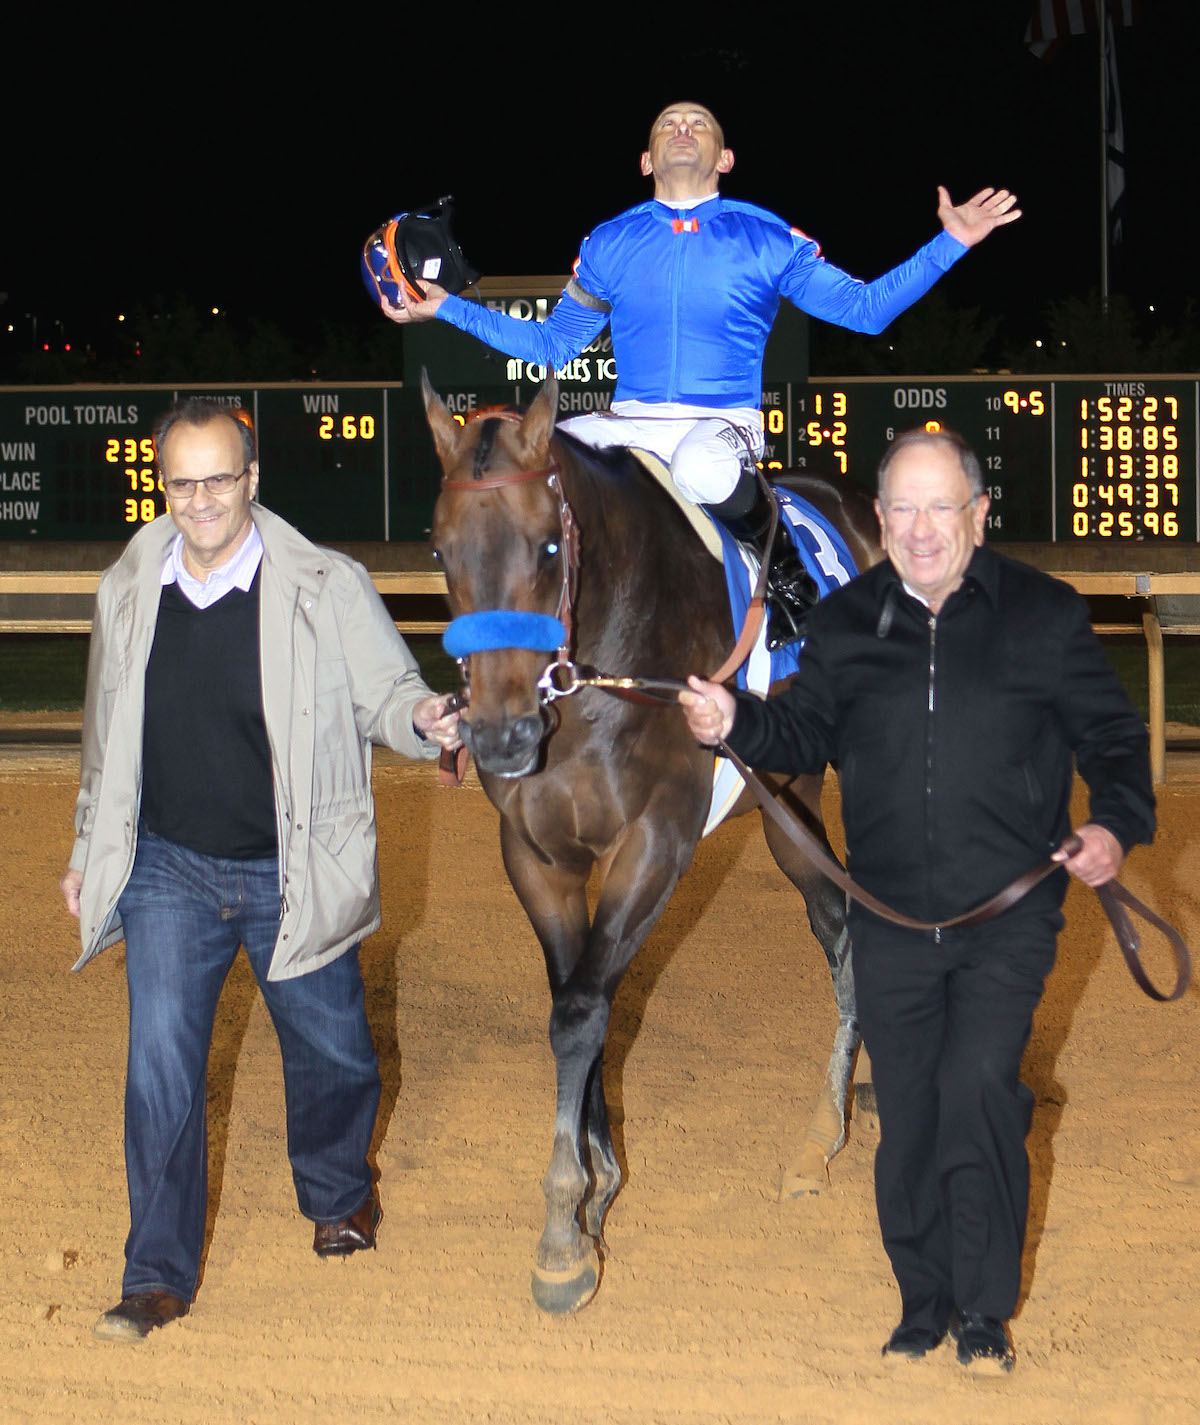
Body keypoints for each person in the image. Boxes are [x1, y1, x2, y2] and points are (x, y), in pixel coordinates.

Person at [678, 428, 1155, 1374]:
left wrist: (1112, 826)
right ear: (883, 520)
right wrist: (737, 720)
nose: (923, 527)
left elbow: (1113, 742)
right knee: (905, 1113)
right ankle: (921, 1301)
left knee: (977, 1088)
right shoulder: (848, 622)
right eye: (904, 508)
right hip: (888, 915)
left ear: (979, 514)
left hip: (1007, 916)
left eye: (943, 506)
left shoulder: (1047, 616)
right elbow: (800, 730)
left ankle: (983, 1311)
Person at [59, 398, 462, 1343]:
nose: (200, 500)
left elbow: (390, 696)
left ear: (251, 479)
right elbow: (102, 735)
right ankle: (154, 1274)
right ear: (165, 482)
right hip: (168, 867)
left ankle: (337, 1192)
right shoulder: (129, 583)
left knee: (335, 1055)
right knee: (159, 1064)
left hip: (295, 865)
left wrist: (429, 722)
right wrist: (88, 845)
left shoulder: (326, 583)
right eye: (183, 481)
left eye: (219, 479)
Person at [382, 101, 1020, 647]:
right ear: (645, 159)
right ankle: (520, 637)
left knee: (702, 468)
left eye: (699, 123)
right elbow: (550, 348)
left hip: (721, 425)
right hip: (628, 422)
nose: (682, 128)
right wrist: (446, 307)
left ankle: (790, 580)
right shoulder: (610, 242)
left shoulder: (766, 237)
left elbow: (866, 311)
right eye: (667, 124)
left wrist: (951, 243)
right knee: (537, 461)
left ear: (725, 158)